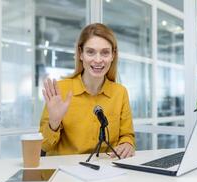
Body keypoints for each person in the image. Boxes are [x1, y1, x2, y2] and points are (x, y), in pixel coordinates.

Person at [39, 23, 135, 159]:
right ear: (80, 54)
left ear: (113, 55)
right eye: (90, 52)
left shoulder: (120, 93)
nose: (98, 60)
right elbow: (43, 146)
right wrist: (54, 123)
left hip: (107, 170)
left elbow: (127, 135)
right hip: (67, 173)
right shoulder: (61, 90)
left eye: (105, 52)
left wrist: (127, 143)